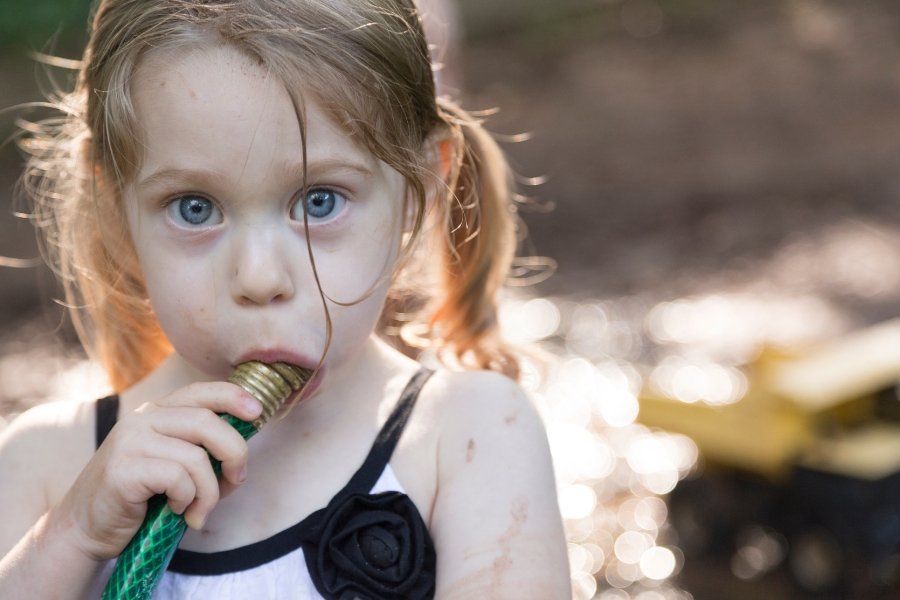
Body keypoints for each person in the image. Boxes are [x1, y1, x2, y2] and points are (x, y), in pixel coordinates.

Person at [0, 1, 570, 598]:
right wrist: (74, 538)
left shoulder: (467, 434)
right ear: (115, 210)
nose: (260, 276)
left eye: (320, 200)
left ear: (421, 185)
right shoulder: (48, 468)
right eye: (194, 207)